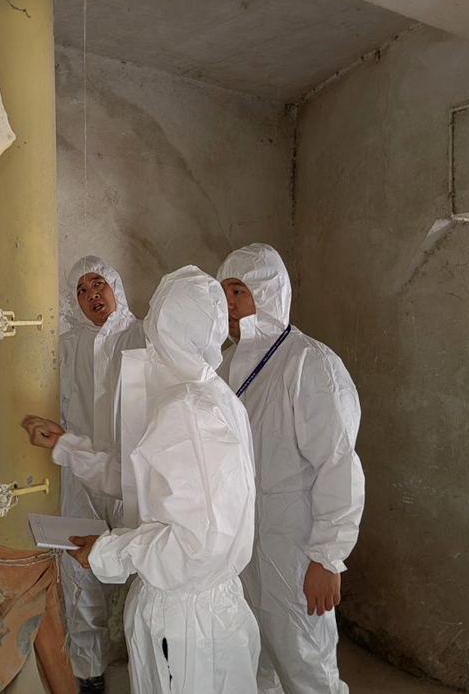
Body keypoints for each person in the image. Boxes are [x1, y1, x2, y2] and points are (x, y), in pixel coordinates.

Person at [25, 266, 261, 694]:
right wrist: (68, 446)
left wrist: (109, 552)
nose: (149, 326)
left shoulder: (187, 409)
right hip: (200, 611)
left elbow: (194, 545)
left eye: (157, 315)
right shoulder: (209, 395)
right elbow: (142, 480)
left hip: (184, 621)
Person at [216, 243, 365, 694]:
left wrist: (328, 557)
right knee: (252, 655)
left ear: (268, 292)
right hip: (243, 540)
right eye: (222, 293)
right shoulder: (225, 366)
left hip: (294, 543)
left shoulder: (308, 362)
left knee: (305, 661)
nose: (228, 305)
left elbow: (337, 463)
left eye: (238, 291)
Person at [53, 256, 145, 694]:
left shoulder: (142, 336)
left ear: (115, 287)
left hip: (136, 475)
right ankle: (89, 677)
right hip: (82, 477)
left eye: (98, 284)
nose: (92, 294)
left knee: (145, 571)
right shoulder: (67, 345)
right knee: (80, 576)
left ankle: (148, 670)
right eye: (82, 289)